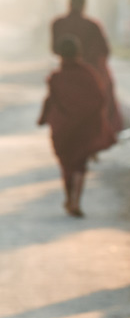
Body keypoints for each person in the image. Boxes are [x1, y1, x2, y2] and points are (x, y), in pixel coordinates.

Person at [38, 36, 110, 217]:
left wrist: (43, 118)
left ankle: (69, 198)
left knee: (66, 165)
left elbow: (50, 100)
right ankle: (76, 200)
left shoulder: (56, 77)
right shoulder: (88, 74)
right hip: (83, 127)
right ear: (79, 53)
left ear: (59, 55)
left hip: (62, 128)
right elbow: (100, 99)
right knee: (79, 165)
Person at [51, 0, 121, 140]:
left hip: (65, 74)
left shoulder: (57, 24)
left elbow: (54, 49)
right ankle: (98, 136)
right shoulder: (92, 25)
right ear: (84, 5)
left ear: (68, 4)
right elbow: (105, 51)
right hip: (89, 74)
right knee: (97, 102)